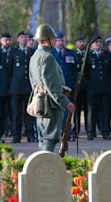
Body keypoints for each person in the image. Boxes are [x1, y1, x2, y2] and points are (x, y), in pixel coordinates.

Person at [29, 23, 75, 152]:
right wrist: (66, 103)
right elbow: (52, 87)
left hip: (39, 103)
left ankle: (40, 166)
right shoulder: (47, 57)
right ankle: (46, 168)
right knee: (49, 139)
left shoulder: (34, 57)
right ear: (46, 40)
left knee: (42, 138)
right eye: (53, 38)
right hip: (51, 106)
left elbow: (33, 82)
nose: (55, 41)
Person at [84, 35, 111, 140]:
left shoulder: (106, 55)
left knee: (105, 111)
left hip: (104, 87)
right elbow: (85, 73)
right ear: (91, 45)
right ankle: (90, 132)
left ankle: (105, 132)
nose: (98, 44)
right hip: (92, 88)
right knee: (92, 112)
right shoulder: (88, 56)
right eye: (96, 42)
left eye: (100, 42)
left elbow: (110, 70)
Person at [8, 31, 35, 142]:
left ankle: (30, 134)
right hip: (16, 87)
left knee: (29, 113)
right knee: (16, 113)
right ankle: (16, 135)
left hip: (28, 87)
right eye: (22, 37)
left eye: (26, 37)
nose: (24, 39)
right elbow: (9, 69)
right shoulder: (13, 52)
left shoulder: (32, 52)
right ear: (18, 39)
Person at [51, 31, 78, 141]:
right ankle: (57, 132)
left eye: (62, 40)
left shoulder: (71, 53)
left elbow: (75, 70)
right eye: (58, 40)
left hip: (68, 87)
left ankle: (68, 131)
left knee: (67, 111)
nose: (60, 43)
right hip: (55, 87)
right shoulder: (51, 53)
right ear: (54, 41)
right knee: (56, 111)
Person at [0, 32, 12, 140]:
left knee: (11, 111)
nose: (8, 42)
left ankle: (10, 130)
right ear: (1, 41)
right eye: (5, 40)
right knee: (0, 111)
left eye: (9, 39)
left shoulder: (14, 52)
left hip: (11, 87)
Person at [74, 37, 88, 136]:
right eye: (80, 41)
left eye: (83, 41)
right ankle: (76, 129)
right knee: (76, 109)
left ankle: (89, 129)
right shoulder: (73, 54)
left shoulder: (88, 54)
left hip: (87, 86)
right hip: (76, 86)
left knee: (87, 109)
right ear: (76, 43)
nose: (82, 43)